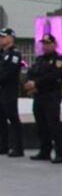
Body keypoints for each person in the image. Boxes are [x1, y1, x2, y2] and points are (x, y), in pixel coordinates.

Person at [24, 34, 62, 163]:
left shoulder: (58, 60)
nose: (45, 46)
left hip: (51, 95)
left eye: (48, 44)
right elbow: (31, 72)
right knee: (41, 125)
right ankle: (45, 150)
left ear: (54, 45)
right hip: (39, 95)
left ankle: (60, 153)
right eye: (44, 44)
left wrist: (36, 83)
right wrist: (31, 84)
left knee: (53, 125)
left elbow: (54, 76)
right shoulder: (40, 59)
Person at [0, 27, 24, 156]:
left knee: (13, 119)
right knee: (1, 119)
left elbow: (8, 73)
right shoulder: (2, 53)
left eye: (3, 37)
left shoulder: (14, 54)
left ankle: (18, 148)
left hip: (9, 91)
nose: (0, 39)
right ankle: (3, 145)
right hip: (1, 91)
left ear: (11, 38)